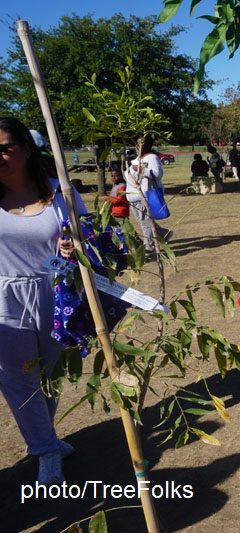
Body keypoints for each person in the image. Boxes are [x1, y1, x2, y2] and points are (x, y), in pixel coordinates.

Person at [0, 117, 87, 484]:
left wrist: (72, 245)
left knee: (51, 375)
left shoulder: (59, 194)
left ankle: (45, 438)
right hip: (4, 298)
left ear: (25, 148)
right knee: (19, 380)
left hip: (55, 292)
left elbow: (88, 237)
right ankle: (46, 451)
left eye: (4, 147)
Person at [124, 135, 172, 252]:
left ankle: (148, 245)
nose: (138, 146)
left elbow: (157, 174)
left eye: (142, 144)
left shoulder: (151, 157)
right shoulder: (136, 159)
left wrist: (140, 169)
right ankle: (163, 233)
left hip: (144, 195)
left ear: (148, 145)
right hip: (132, 196)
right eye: (137, 143)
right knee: (141, 220)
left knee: (145, 221)